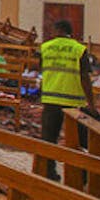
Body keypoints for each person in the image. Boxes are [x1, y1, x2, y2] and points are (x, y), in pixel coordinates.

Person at [38, 20, 94, 180]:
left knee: (49, 138)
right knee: (79, 141)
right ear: (70, 32)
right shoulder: (79, 49)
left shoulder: (45, 48)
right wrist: (91, 103)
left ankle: (48, 173)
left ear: (57, 30)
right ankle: (81, 175)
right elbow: (85, 78)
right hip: (74, 101)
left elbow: (43, 72)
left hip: (51, 99)